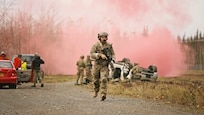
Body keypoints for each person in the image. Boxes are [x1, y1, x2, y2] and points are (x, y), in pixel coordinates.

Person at [90, 32, 115, 101]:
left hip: (104, 65)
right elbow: (91, 54)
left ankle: (103, 94)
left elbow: (113, 54)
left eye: (105, 37)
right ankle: (96, 91)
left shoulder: (109, 46)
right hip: (97, 65)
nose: (104, 38)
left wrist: (112, 59)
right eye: (102, 37)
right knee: (96, 80)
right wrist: (99, 55)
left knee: (104, 79)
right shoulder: (96, 45)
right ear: (99, 38)